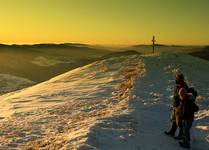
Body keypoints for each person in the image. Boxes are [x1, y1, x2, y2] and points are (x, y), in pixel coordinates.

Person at [165, 73, 188, 140]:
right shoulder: (177, 85)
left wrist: (180, 106)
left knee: (179, 122)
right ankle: (172, 132)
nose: (176, 79)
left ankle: (181, 135)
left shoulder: (183, 86)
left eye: (177, 78)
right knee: (174, 120)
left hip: (179, 107)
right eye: (176, 78)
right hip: (175, 106)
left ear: (181, 79)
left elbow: (184, 98)